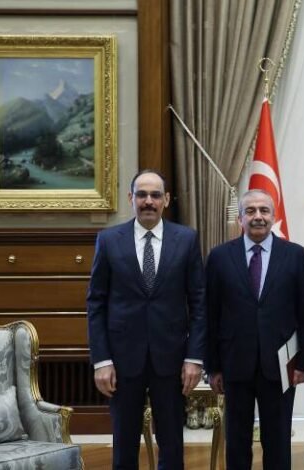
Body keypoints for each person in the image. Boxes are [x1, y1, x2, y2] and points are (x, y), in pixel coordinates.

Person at [87, 169, 206, 470]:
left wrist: (194, 357)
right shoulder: (109, 240)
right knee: (124, 445)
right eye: (142, 195)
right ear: (131, 198)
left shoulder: (187, 239)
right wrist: (101, 360)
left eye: (155, 195)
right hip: (122, 361)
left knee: (172, 445)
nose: (148, 201)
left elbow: (199, 303)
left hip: (172, 359)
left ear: (166, 199)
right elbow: (96, 303)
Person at [205, 189, 304, 470]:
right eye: (250, 211)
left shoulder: (295, 255)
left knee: (277, 440)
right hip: (234, 362)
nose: (258, 217)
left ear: (273, 216)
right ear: (240, 218)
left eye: (264, 211)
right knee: (237, 440)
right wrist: (212, 367)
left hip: (282, 362)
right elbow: (210, 314)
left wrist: (303, 362)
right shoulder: (219, 257)